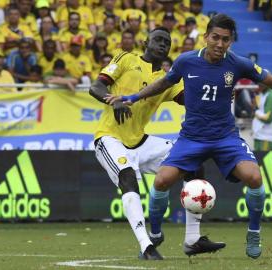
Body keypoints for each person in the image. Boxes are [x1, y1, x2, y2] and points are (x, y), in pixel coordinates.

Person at [105, 14, 272, 259]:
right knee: (161, 181)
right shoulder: (186, 61)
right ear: (206, 37)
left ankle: (254, 231)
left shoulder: (238, 64)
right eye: (215, 37)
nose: (219, 43)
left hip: (225, 138)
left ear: (231, 42)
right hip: (191, 138)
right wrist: (133, 97)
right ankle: (156, 233)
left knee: (255, 178)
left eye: (225, 39)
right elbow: (163, 83)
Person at [89, 27, 224, 260]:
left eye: (167, 42)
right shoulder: (126, 58)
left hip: (140, 141)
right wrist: (113, 101)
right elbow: (96, 87)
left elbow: (191, 100)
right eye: (158, 39)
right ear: (145, 42)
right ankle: (146, 246)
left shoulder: (168, 79)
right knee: (128, 177)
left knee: (192, 163)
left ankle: (192, 239)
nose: (163, 44)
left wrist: (218, 93)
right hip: (109, 138)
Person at [252, 84, 272, 151]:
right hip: (260, 135)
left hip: (266, 137)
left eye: (261, 81)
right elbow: (262, 112)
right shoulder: (264, 94)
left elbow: (268, 118)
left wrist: (255, 111)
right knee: (261, 161)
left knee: (267, 161)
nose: (258, 84)